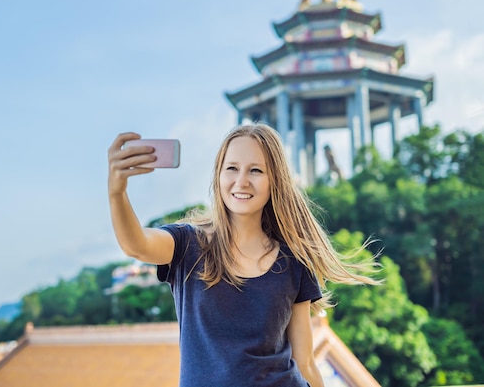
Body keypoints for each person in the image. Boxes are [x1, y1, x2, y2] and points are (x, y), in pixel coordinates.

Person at [107, 123, 380, 387]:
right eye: (232, 169)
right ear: (218, 175)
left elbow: (306, 362)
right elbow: (136, 245)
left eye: (256, 170)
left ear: (275, 180)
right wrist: (117, 193)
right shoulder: (187, 244)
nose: (242, 181)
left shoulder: (295, 261)